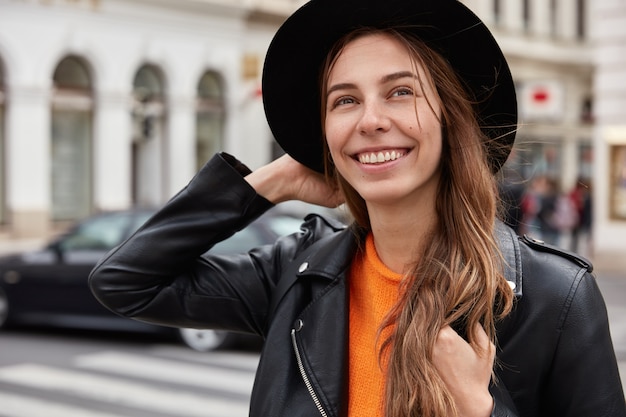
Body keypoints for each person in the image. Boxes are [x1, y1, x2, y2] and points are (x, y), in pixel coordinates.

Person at [89, 0, 626, 416]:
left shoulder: (554, 298)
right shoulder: (297, 276)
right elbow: (123, 281)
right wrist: (269, 182)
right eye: (345, 100)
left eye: (399, 92)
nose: (369, 120)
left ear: (449, 118)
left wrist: (481, 411)